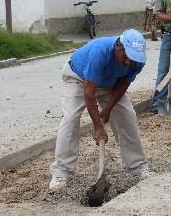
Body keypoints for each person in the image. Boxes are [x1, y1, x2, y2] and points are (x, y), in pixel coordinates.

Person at [49, 30, 151, 191]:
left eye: (132, 59)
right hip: (79, 78)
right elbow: (89, 92)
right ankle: (62, 172)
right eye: (126, 57)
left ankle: (138, 166)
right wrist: (98, 126)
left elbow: (124, 83)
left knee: (127, 116)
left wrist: (107, 110)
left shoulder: (136, 60)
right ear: (118, 46)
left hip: (110, 83)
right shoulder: (100, 52)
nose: (128, 63)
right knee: (70, 118)